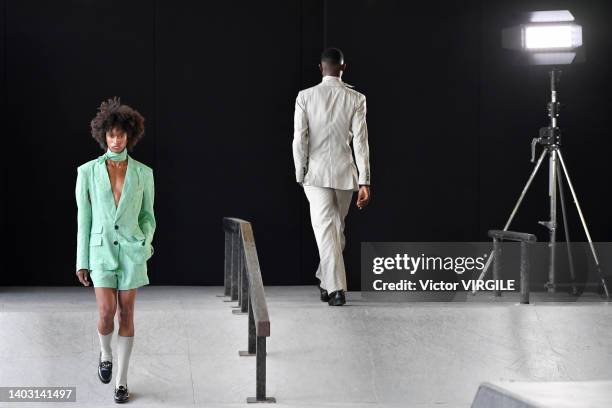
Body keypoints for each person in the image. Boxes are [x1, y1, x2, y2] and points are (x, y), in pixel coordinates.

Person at [75, 97, 156, 403]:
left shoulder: (144, 173)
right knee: (107, 312)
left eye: (121, 134)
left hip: (132, 253)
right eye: (111, 134)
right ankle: (105, 352)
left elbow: (149, 216)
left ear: (129, 136)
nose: (116, 139)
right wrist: (81, 260)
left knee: (128, 313)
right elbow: (84, 219)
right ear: (103, 136)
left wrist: (145, 243)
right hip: (100, 252)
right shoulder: (87, 172)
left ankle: (121, 381)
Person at [292, 47, 371, 306]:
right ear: (343, 68)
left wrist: (299, 172)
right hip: (344, 175)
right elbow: (360, 142)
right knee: (331, 229)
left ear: (320, 68)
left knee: (334, 231)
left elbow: (299, 140)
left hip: (315, 174)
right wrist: (364, 180)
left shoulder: (305, 97)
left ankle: (325, 278)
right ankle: (336, 289)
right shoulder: (356, 98)